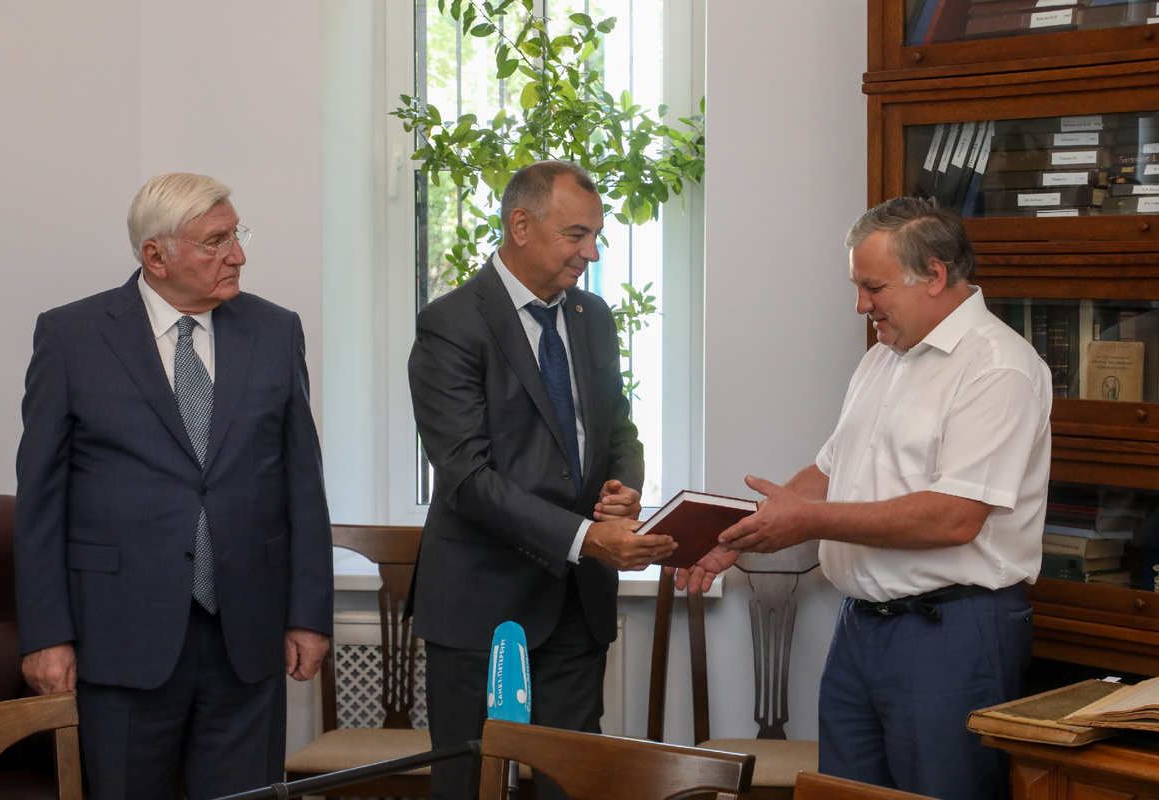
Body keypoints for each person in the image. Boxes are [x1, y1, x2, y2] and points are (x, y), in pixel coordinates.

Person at [679, 196, 1052, 800]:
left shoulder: (999, 368)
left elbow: (954, 518)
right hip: (861, 631)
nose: (860, 305)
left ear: (934, 275)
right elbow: (829, 471)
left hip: (950, 632)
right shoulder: (884, 359)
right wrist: (731, 539)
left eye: (873, 287)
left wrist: (806, 523)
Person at [14, 172, 334, 799]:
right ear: (155, 256)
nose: (237, 254)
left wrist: (308, 613)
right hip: (119, 637)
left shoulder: (275, 331)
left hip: (248, 634)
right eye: (215, 241)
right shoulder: (71, 336)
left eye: (236, 235)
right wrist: (47, 634)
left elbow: (303, 482)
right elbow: (40, 500)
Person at [407, 160, 676, 800]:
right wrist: (585, 537)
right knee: (469, 786)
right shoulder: (451, 324)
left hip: (576, 609)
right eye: (576, 234)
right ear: (520, 225)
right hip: (479, 604)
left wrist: (623, 487)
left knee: (573, 785)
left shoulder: (592, 315)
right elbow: (468, 478)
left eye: (595, 235)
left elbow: (618, 432)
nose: (591, 251)